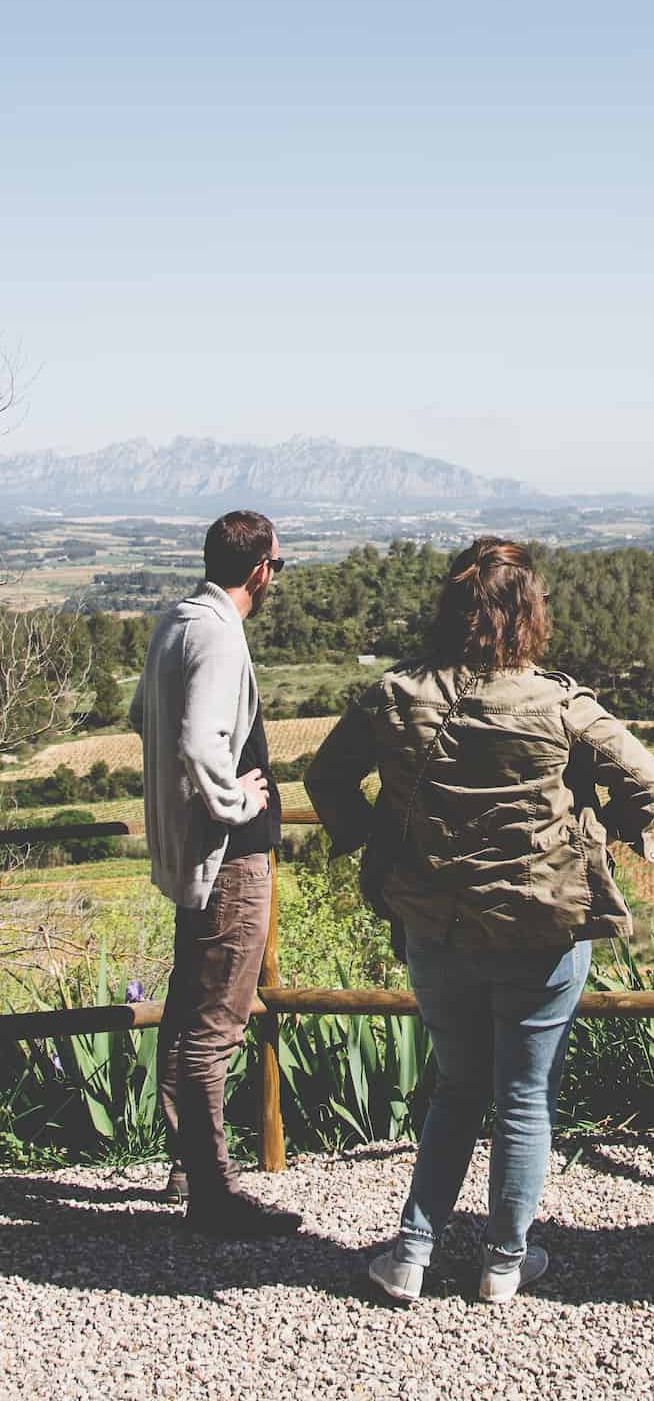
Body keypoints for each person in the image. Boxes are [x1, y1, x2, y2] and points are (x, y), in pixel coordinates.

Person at [305, 538, 654, 1305]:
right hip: (542, 929)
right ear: (531, 617)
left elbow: (326, 775)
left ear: (451, 611)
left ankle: (411, 1252)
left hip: (436, 925)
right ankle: (505, 1262)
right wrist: (607, 829)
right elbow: (647, 777)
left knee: (455, 1090)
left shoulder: (397, 695)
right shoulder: (561, 704)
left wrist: (378, 840)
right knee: (526, 1096)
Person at [131, 509, 301, 1238]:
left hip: (190, 853)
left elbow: (145, 717)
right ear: (260, 569)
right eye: (278, 567)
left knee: (185, 1010)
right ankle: (215, 1194)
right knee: (218, 1023)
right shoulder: (219, 634)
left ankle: (186, 1165)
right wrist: (233, 801)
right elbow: (202, 740)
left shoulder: (176, 620)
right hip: (227, 858)